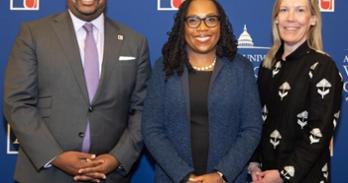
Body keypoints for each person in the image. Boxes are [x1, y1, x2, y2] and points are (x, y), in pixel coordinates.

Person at [3, 0, 150, 182]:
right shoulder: (33, 34)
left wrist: (117, 157)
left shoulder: (135, 41)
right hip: (44, 175)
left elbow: (143, 109)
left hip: (108, 176)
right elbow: (18, 102)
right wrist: (55, 156)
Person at [142, 0, 262, 182]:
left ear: (220, 24)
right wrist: (183, 175)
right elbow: (151, 128)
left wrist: (222, 174)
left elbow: (251, 129)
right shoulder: (164, 67)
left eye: (210, 19)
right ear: (183, 25)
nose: (203, 28)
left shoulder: (241, 68)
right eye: (193, 20)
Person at [249, 0, 343, 182]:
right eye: (284, 10)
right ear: (276, 19)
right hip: (265, 175)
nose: (291, 18)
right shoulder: (267, 66)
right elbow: (256, 121)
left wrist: (283, 175)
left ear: (313, 19)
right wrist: (254, 164)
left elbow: (319, 132)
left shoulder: (323, 67)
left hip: (306, 177)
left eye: (300, 10)